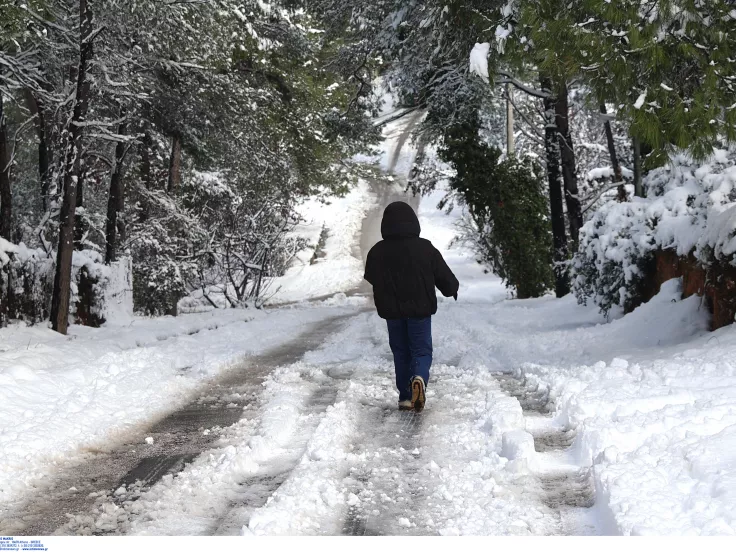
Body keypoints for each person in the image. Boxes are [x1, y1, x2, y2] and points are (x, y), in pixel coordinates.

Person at [364, 201, 459, 412]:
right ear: (413, 223)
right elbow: (443, 275)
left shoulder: (377, 251)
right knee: (421, 351)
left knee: (400, 352)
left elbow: (371, 276)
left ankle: (406, 397)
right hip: (420, 311)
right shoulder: (425, 248)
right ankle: (419, 378)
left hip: (392, 312)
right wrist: (451, 288)